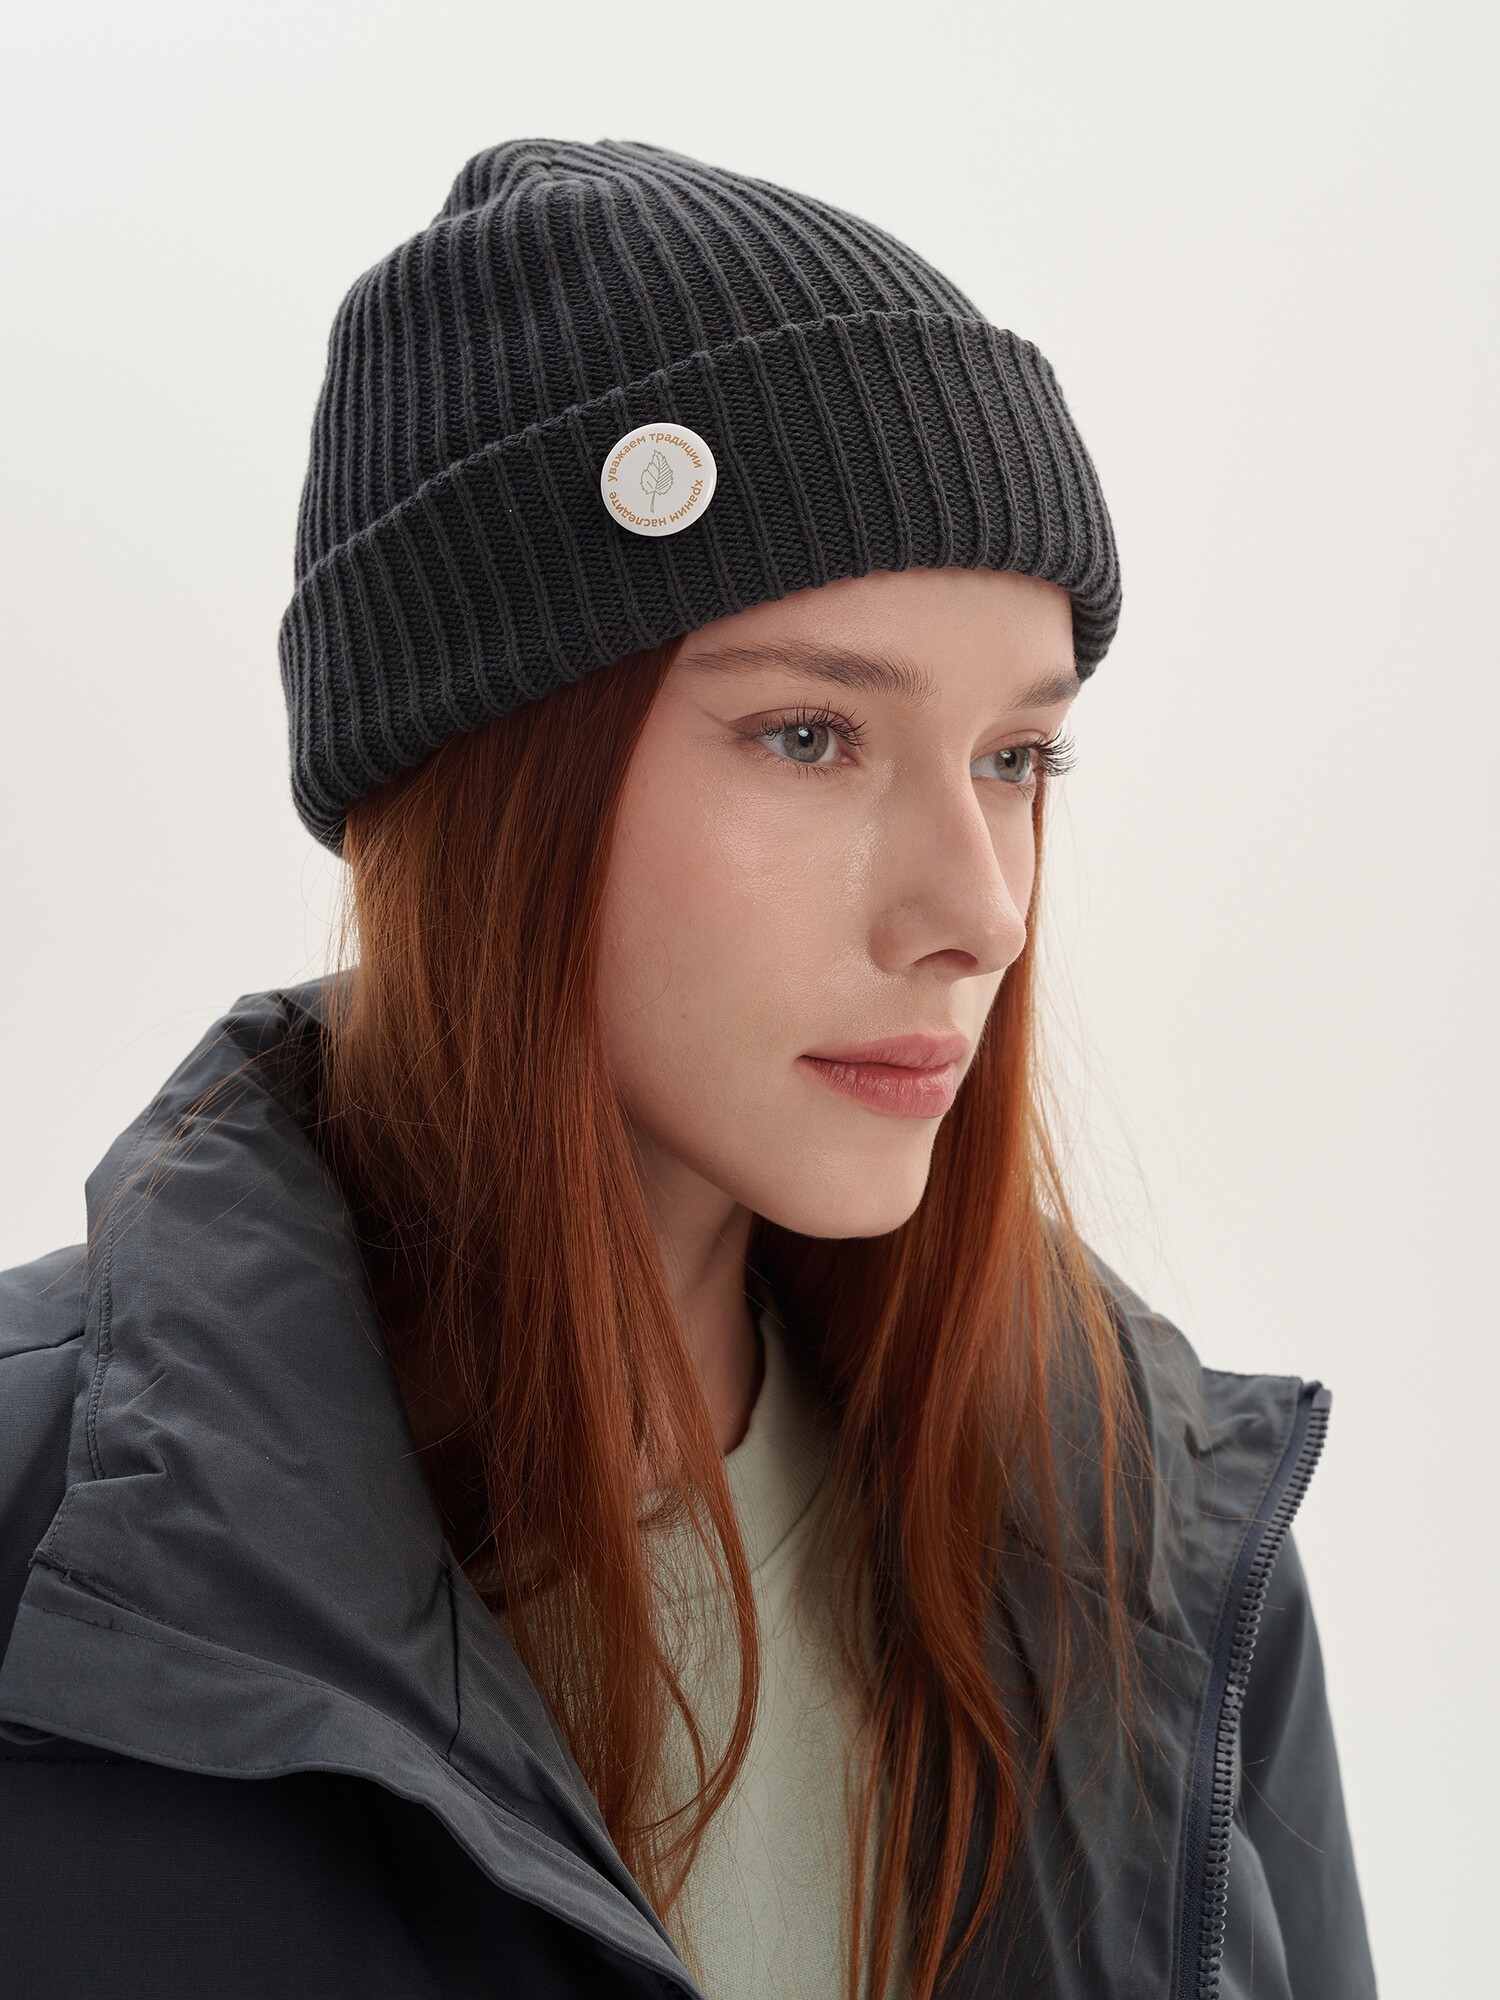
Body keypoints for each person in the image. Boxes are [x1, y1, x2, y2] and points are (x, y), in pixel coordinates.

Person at [0, 140, 1375, 2000]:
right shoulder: (41, 1548)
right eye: (810, 735)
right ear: (483, 779)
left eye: (1016, 758)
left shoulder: (1155, 1542)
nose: (979, 913)